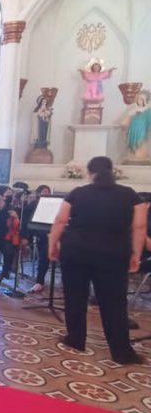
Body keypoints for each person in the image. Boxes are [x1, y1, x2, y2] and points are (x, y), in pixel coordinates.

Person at [49, 156, 145, 365]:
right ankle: (121, 352)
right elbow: (139, 226)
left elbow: (61, 220)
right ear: (112, 171)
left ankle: (75, 339)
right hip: (113, 254)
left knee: (75, 297)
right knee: (114, 303)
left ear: (90, 173)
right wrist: (136, 254)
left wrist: (52, 245)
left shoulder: (77, 193)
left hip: (75, 252)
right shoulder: (130, 195)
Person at [24, 185, 52, 293]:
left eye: (48, 192)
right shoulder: (33, 204)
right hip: (36, 234)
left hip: (49, 233)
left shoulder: (52, 205)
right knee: (45, 249)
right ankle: (40, 281)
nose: (46, 194)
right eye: (44, 191)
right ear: (38, 193)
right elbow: (27, 222)